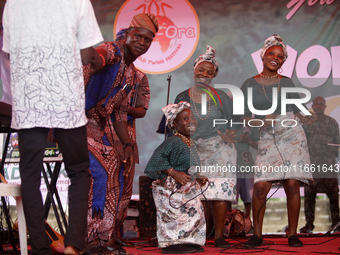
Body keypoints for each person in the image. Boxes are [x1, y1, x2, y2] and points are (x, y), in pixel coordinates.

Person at [2, 0, 103, 254]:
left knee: (30, 174)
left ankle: (40, 248)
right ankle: (73, 245)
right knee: (79, 172)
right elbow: (85, 54)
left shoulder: (13, 4)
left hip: (29, 101)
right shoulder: (78, 1)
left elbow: (10, 53)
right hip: (66, 99)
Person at [83, 13, 158, 247]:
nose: (142, 43)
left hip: (105, 129)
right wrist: (94, 59)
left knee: (117, 179)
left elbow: (117, 112)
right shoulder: (113, 51)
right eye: (139, 36)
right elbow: (99, 56)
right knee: (102, 175)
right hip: (78, 123)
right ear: (127, 34)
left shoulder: (130, 73)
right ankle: (93, 239)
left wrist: (127, 144)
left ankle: (107, 236)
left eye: (148, 40)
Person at [240, 35, 313, 248]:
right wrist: (260, 120)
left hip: (292, 135)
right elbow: (241, 115)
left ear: (283, 61)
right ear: (263, 55)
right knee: (261, 187)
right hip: (267, 134)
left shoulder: (287, 82)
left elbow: (300, 108)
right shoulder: (249, 83)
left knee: (292, 184)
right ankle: (257, 234)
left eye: (280, 56)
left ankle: (292, 234)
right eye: (271, 53)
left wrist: (311, 119)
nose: (275, 58)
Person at [174, 46, 237, 248]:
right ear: (194, 70)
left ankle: (218, 236)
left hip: (219, 148)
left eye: (210, 72)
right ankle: (196, 235)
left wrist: (230, 133)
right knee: (194, 194)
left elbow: (234, 122)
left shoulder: (221, 97)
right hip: (192, 149)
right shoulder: (181, 97)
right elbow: (173, 126)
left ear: (214, 76)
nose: (204, 74)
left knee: (219, 191)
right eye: (201, 69)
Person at [145, 102, 208, 254]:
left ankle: (188, 242)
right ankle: (173, 245)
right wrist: (173, 173)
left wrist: (198, 177)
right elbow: (154, 162)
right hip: (171, 189)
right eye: (185, 119)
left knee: (194, 214)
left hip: (187, 188)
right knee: (176, 218)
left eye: (193, 119)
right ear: (174, 124)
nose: (191, 122)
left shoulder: (190, 143)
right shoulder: (173, 141)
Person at [300, 96, 340, 233]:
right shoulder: (307, 123)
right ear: (312, 106)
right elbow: (302, 141)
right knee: (309, 195)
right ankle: (309, 225)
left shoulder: (332, 122)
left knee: (334, 195)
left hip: (328, 165)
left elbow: (337, 142)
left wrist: (330, 154)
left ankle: (336, 224)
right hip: (312, 165)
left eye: (321, 104)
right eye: (316, 104)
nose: (318, 106)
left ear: (325, 106)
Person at [234, 127, 259, 218]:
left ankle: (248, 221)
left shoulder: (251, 125)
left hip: (247, 163)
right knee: (231, 196)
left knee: (249, 196)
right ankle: (229, 222)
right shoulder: (227, 122)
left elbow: (258, 145)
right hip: (232, 163)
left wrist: (248, 140)